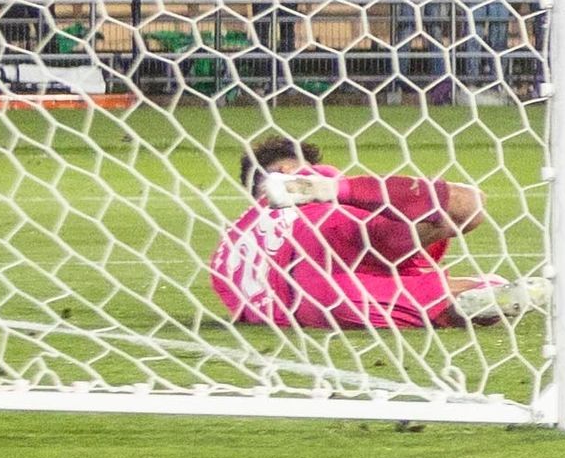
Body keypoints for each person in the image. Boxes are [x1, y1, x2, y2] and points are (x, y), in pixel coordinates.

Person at [211, 134, 515, 327]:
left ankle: (468, 289)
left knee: (445, 306)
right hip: (336, 235)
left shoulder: (225, 251)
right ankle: (474, 280)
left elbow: (245, 310)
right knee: (467, 207)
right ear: (287, 172)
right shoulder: (305, 182)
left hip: (310, 303)